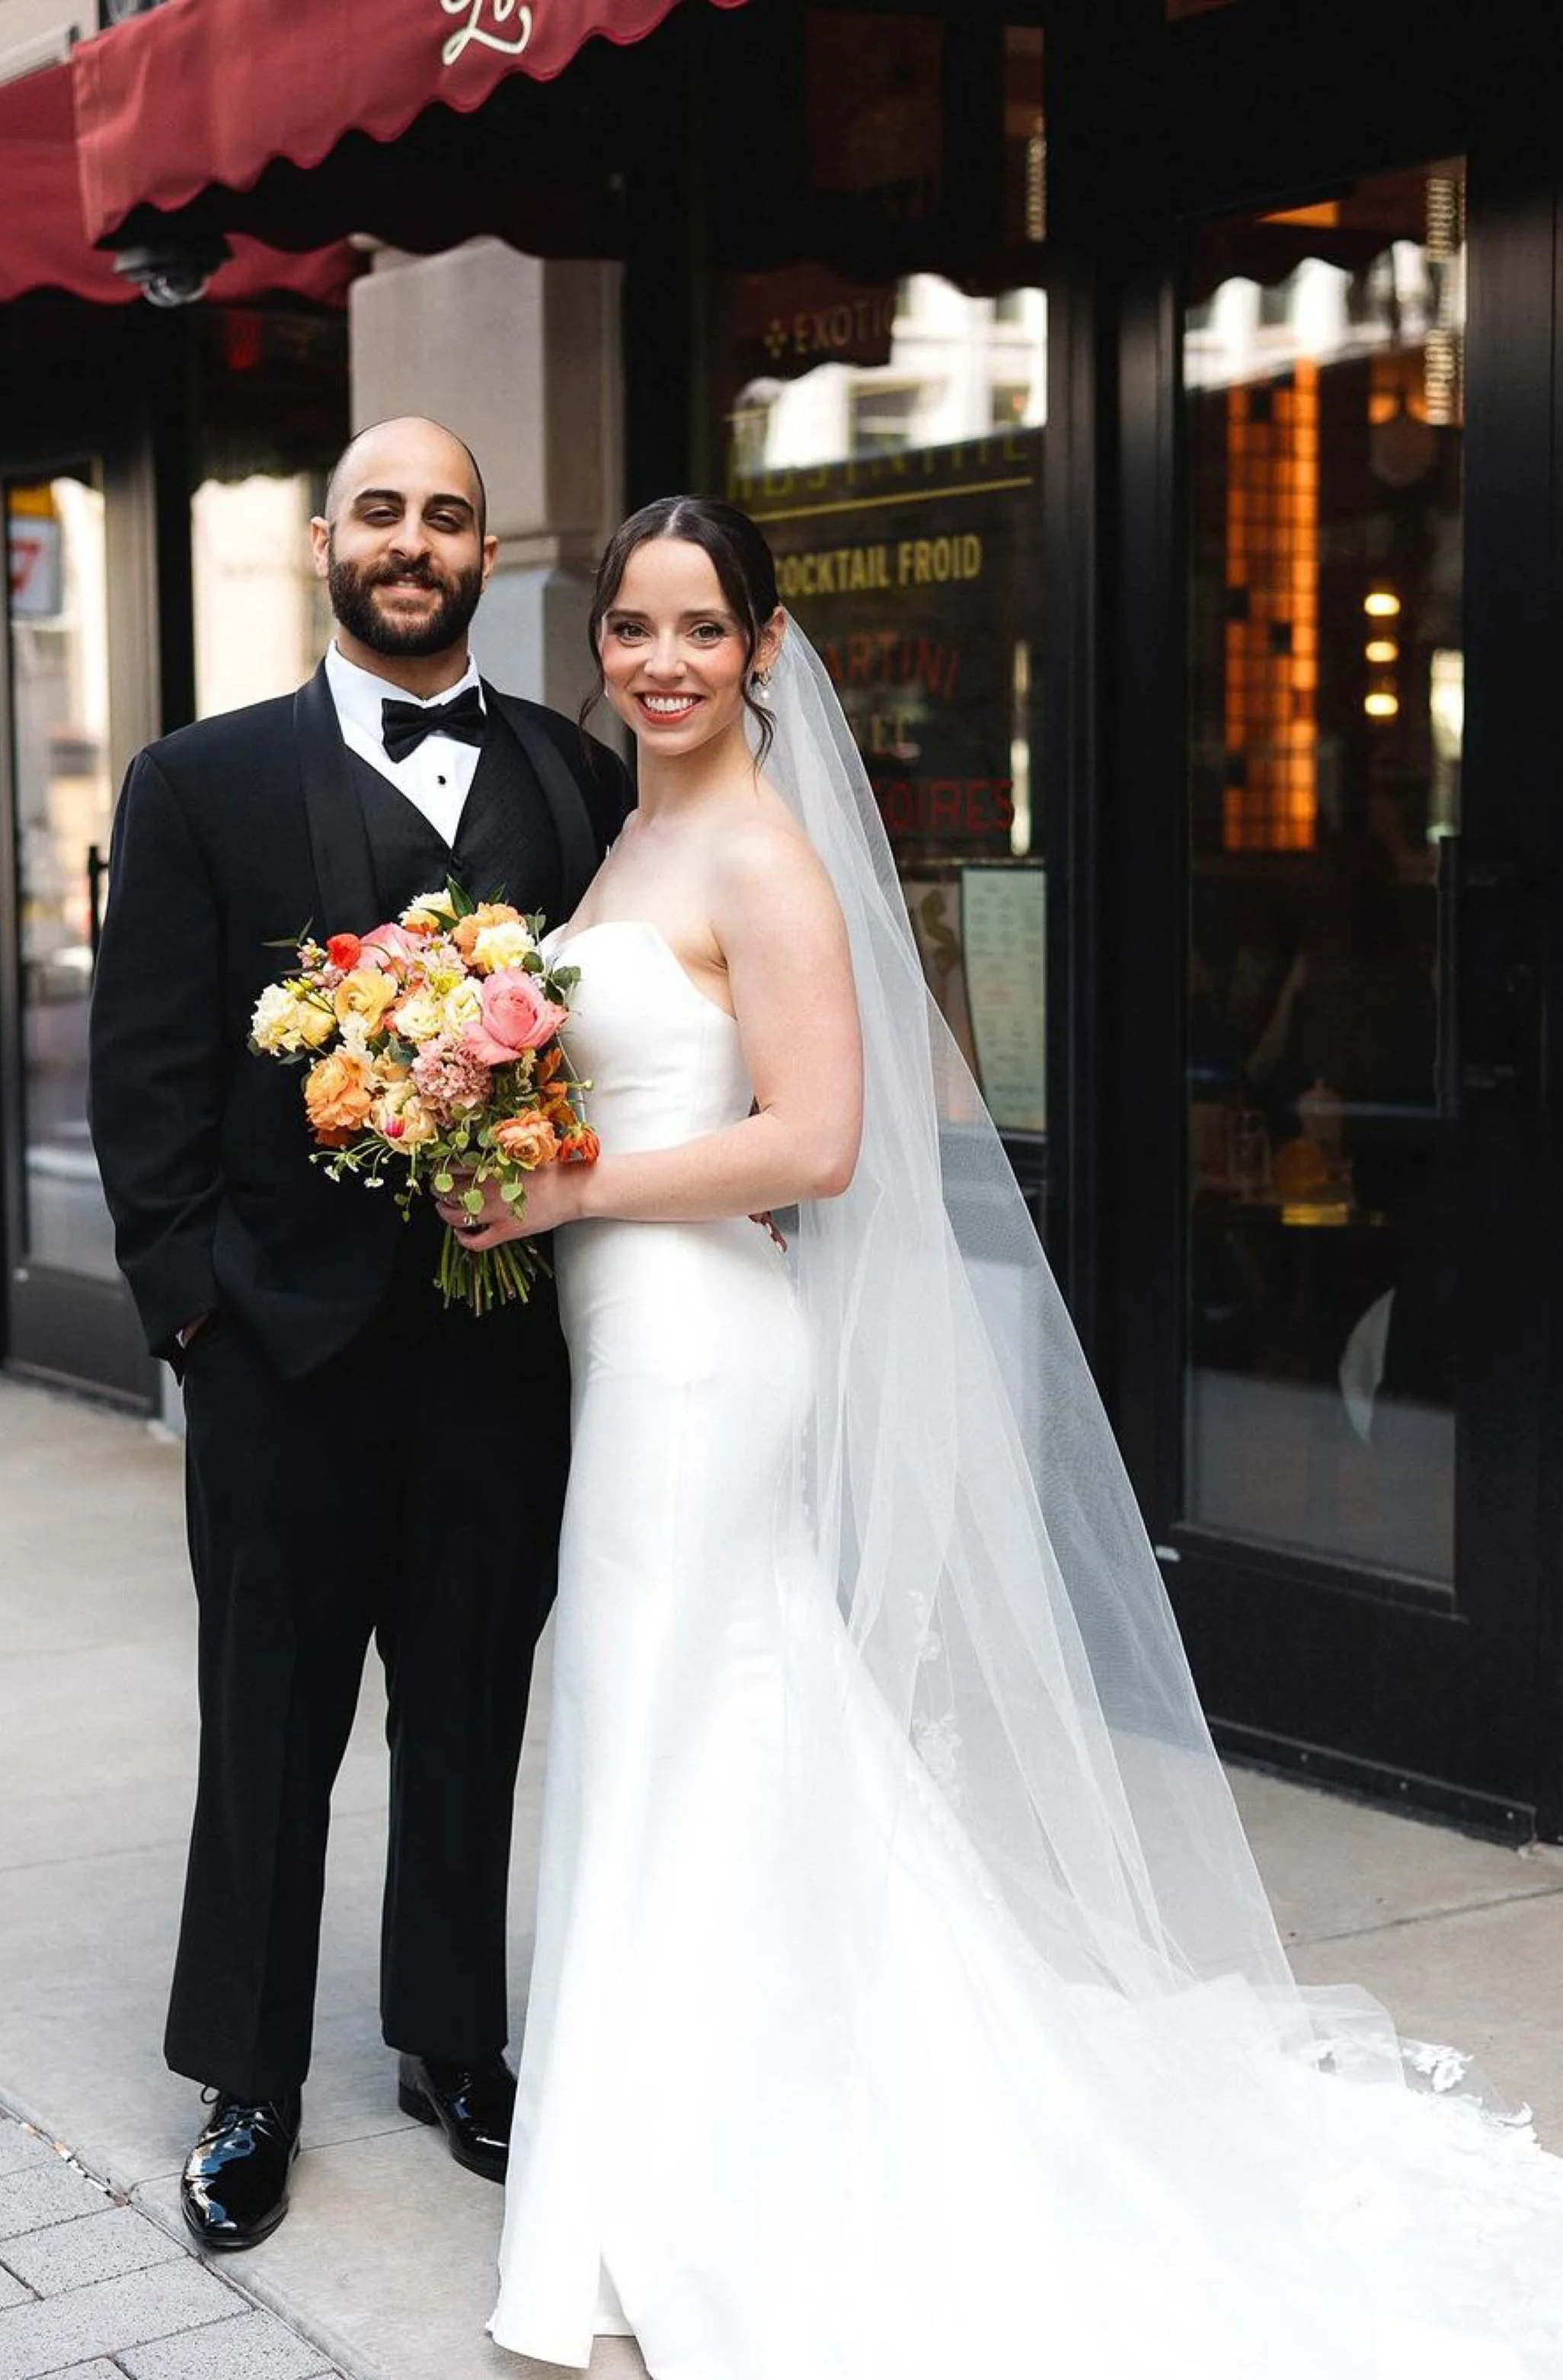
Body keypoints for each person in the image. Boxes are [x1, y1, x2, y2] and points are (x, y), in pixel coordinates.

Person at [439, 497, 1563, 2377]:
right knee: (681, 1725)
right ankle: (650, 2156)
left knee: (680, 1714)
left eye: (699, 628)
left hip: (700, 1347)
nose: (657, 660)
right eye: (630, 626)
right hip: (628, 1336)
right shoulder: (634, 829)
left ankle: (703, 2175)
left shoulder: (766, 861)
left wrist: (568, 1188)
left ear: (765, 649)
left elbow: (818, 1144)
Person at [88, 417, 631, 2252]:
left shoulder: (572, 775)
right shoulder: (199, 780)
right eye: (383, 510)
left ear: (486, 552)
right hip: (279, 1359)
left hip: (501, 1359)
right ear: (327, 536)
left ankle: (451, 2042)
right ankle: (247, 2081)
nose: (413, 542)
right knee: (267, 1725)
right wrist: (194, 1322)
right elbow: (144, 1076)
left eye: (449, 516)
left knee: (473, 1709)